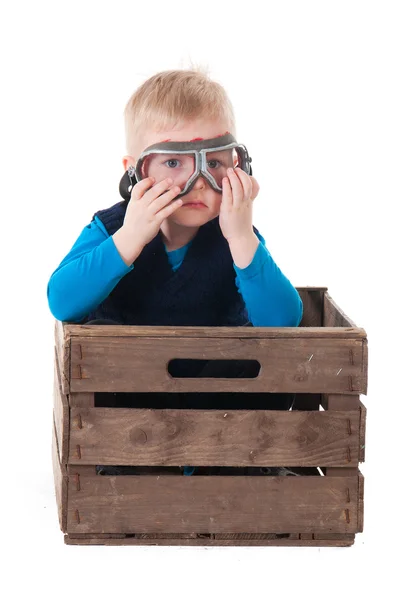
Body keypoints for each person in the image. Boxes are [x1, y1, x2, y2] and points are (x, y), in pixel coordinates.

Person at [47, 69, 307, 476]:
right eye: (172, 162)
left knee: (257, 362)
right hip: (133, 404)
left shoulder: (235, 234)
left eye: (215, 163)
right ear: (135, 171)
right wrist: (130, 237)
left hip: (218, 405)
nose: (198, 183)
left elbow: (284, 321)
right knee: (105, 353)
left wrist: (240, 238)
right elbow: (61, 300)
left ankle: (221, 468)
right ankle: (141, 469)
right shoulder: (113, 227)